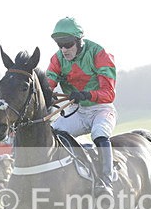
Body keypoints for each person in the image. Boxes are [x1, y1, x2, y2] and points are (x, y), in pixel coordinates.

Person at [46, 17, 118, 197]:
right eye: (59, 44)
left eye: (68, 44)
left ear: (79, 41)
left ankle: (106, 182)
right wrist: (46, 95)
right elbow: (49, 85)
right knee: (53, 133)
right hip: (76, 111)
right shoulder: (57, 59)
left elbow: (109, 93)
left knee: (100, 134)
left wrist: (87, 94)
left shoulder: (99, 53)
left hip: (101, 109)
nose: (64, 49)